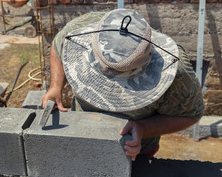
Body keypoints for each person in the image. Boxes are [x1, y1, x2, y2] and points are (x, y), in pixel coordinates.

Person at [41, 9, 204, 161]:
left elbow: (190, 115)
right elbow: (58, 45)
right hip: (80, 136)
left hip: (134, 152)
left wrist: (143, 128)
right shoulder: (79, 29)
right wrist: (55, 87)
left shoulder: (175, 70)